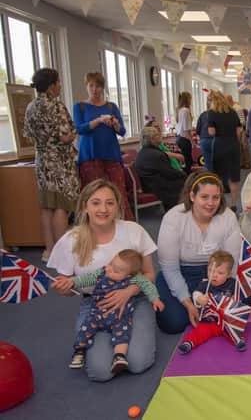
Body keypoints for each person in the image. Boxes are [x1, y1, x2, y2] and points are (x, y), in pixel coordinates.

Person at [49, 179, 157, 382]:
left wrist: (128, 292)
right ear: (85, 206)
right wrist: (64, 287)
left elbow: (150, 274)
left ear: (117, 206)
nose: (103, 209)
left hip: (135, 301)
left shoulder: (133, 231)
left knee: (137, 363)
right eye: (96, 203)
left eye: (109, 203)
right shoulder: (71, 239)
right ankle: (111, 339)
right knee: (100, 372)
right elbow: (68, 287)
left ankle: (128, 335)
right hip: (95, 304)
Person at [155, 172, 242, 334]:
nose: (211, 203)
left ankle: (203, 307)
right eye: (204, 197)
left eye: (216, 197)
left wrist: (227, 294)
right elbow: (169, 267)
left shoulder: (228, 217)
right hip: (180, 271)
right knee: (173, 323)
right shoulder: (173, 218)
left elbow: (233, 262)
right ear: (192, 196)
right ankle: (193, 306)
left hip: (216, 272)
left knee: (232, 311)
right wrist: (187, 302)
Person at [55, 249, 164, 374]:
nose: (110, 270)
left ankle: (119, 356)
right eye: (111, 264)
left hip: (120, 316)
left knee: (122, 334)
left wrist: (155, 299)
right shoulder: (102, 272)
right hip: (97, 313)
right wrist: (71, 282)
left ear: (129, 275)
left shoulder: (135, 279)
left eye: (116, 271)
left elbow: (147, 285)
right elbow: (85, 279)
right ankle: (79, 351)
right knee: (86, 329)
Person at [23, 68, 80, 262]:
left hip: (42, 161)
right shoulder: (55, 106)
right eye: (58, 82)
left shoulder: (31, 106)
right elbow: (65, 136)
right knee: (61, 207)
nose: (60, 86)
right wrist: (73, 135)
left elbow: (29, 135)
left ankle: (49, 250)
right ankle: (62, 253)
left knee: (46, 206)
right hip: (59, 162)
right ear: (51, 85)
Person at [73, 72, 133, 220]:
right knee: (93, 194)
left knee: (118, 193)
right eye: (91, 86)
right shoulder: (80, 107)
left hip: (112, 155)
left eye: (98, 86)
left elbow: (122, 131)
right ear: (86, 87)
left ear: (103, 88)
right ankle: (93, 229)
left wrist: (115, 124)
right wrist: (98, 121)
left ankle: (124, 227)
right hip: (90, 156)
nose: (95, 89)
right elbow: (79, 129)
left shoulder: (112, 107)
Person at [178, 250, 251, 354]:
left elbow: (244, 299)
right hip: (210, 321)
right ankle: (188, 343)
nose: (214, 275)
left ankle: (239, 340)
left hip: (227, 321)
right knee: (199, 331)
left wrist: (237, 299)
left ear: (229, 274)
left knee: (238, 327)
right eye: (211, 271)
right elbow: (196, 294)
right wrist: (199, 299)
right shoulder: (205, 284)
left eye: (220, 273)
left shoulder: (233, 284)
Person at [135, 126, 186, 210]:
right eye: (158, 135)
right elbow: (169, 173)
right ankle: (178, 211)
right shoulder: (156, 154)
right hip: (156, 186)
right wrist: (183, 174)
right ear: (152, 139)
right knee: (184, 182)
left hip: (148, 184)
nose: (160, 136)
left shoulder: (142, 152)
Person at [208, 91, 243, 210]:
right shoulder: (232, 112)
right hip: (233, 145)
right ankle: (233, 204)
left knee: (218, 175)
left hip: (219, 145)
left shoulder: (212, 113)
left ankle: (220, 202)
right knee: (234, 176)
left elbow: (212, 132)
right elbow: (239, 131)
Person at [174, 92, 193, 174]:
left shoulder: (179, 110)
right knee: (188, 163)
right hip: (184, 138)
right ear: (187, 99)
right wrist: (192, 141)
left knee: (185, 163)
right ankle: (187, 182)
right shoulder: (186, 110)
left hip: (179, 137)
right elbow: (187, 128)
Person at [195, 94, 214, 172]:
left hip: (204, 141)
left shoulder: (202, 115)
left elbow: (198, 130)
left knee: (208, 164)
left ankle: (210, 180)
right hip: (214, 140)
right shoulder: (219, 114)